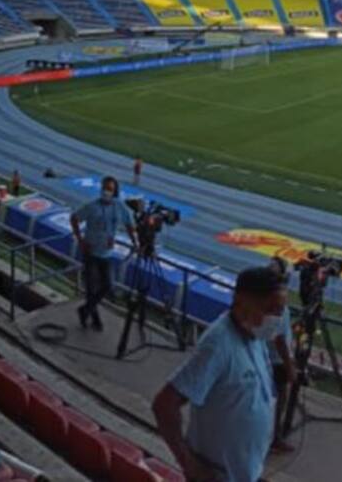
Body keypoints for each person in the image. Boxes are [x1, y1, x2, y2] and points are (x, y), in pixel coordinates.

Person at [152, 265, 286, 482]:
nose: (278, 319)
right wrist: (190, 465)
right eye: (271, 310)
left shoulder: (256, 337)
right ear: (243, 301)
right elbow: (164, 404)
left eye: (281, 311)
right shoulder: (217, 345)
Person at [70, 176, 136, 332]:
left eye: (110, 189)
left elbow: (129, 224)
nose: (106, 191)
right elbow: (74, 218)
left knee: (107, 286)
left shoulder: (120, 206)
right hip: (90, 253)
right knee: (92, 289)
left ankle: (85, 310)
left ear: (115, 192)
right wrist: (80, 239)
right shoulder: (92, 206)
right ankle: (95, 319)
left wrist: (135, 242)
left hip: (106, 254)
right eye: (105, 188)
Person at [267, 256, 297, 454]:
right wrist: (290, 365)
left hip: (268, 357)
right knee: (279, 400)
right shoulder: (276, 300)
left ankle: (271, 435)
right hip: (276, 360)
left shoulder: (265, 296)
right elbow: (277, 337)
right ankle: (274, 437)